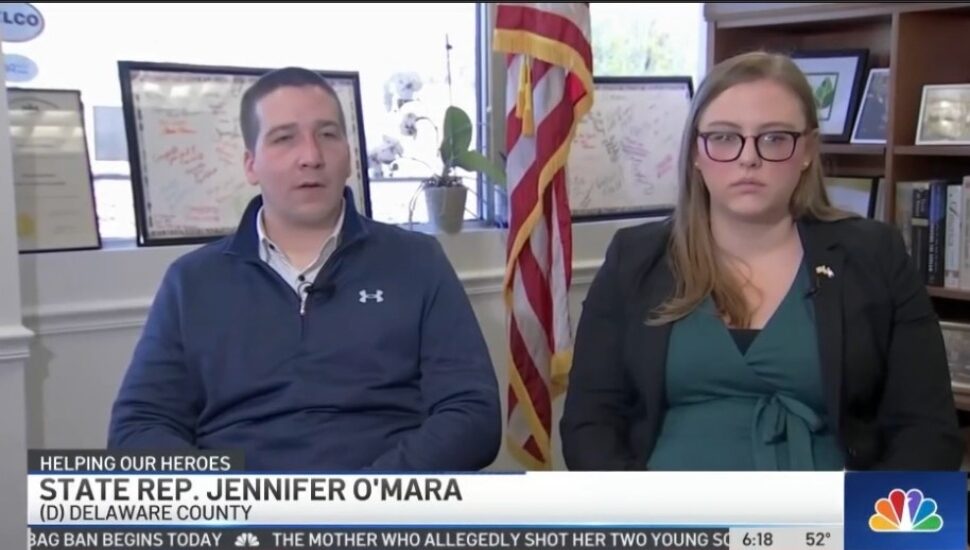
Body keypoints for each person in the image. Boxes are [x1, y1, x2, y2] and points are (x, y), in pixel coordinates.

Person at [560, 51, 965, 471]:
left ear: (807, 150)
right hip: (670, 524)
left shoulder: (875, 255)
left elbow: (927, 430)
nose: (748, 157)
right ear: (696, 153)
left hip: (833, 525)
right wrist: (638, 524)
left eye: (773, 138)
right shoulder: (635, 258)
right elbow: (590, 423)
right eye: (724, 137)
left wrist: (868, 528)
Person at [108, 67, 502, 471]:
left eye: (328, 135)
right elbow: (138, 427)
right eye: (284, 138)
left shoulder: (418, 262)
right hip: (244, 517)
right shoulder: (192, 282)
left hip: (388, 509)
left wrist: (368, 500)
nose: (311, 157)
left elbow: (472, 414)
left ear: (348, 155)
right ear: (250, 164)